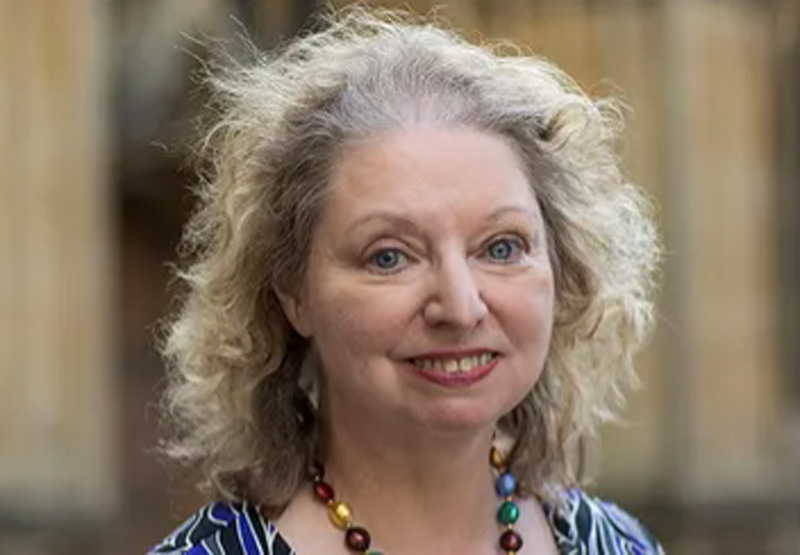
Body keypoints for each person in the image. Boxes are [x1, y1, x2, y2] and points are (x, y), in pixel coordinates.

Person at [151, 6, 663, 554]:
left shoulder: (618, 545)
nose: (461, 308)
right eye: (390, 257)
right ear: (293, 293)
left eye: (502, 248)